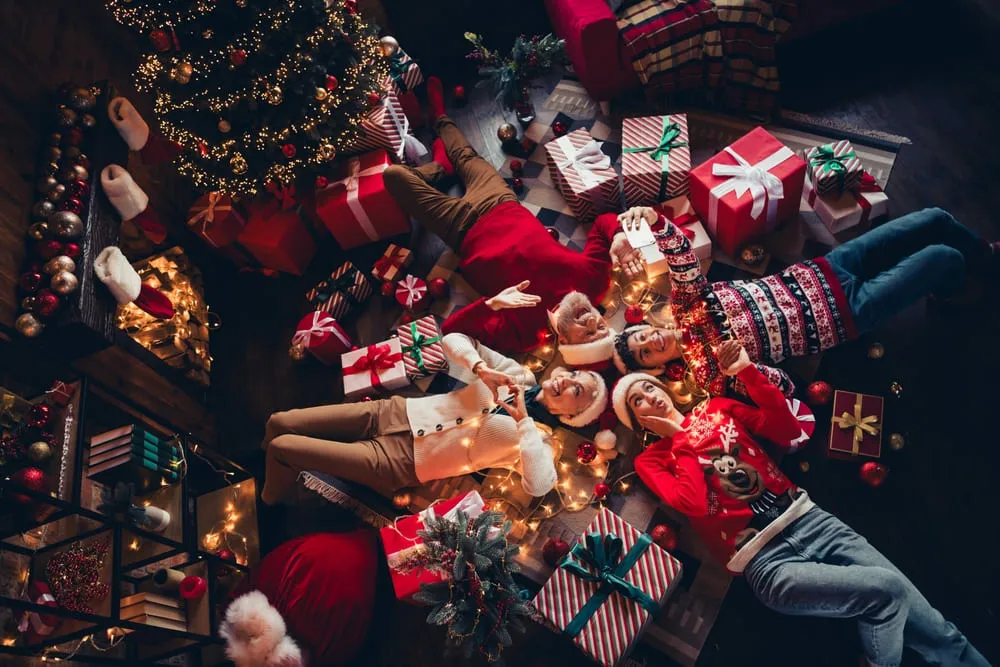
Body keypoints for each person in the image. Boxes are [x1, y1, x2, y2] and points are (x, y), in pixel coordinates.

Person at [613, 341, 989, 667]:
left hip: (813, 523)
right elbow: (694, 503)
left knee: (938, 629)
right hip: (767, 562)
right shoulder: (653, 460)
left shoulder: (716, 410)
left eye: (648, 386)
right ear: (636, 421)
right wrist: (681, 438)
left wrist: (746, 371)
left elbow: (788, 429)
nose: (649, 396)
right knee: (887, 590)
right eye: (637, 401)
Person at [597, 205, 997, 396]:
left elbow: (683, 258)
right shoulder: (711, 377)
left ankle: (985, 258)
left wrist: (656, 221)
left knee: (934, 219)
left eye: (641, 336)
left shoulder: (685, 304)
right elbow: (786, 387)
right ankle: (952, 293)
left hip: (828, 269)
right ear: (658, 367)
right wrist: (745, 369)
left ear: (647, 325)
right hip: (846, 313)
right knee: (944, 258)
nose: (651, 342)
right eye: (646, 354)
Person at [382, 77, 638, 364]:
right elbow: (602, 223)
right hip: (500, 202)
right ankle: (440, 121)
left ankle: (440, 169)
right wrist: (618, 235)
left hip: (460, 229)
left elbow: (453, 329)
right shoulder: (594, 283)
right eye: (601, 328)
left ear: (566, 342)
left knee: (393, 176)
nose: (592, 322)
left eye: (588, 335)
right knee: (465, 155)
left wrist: (493, 304)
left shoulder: (525, 335)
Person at [260, 332, 609, 504]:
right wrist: (480, 367)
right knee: (278, 421)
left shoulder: (542, 440)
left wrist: (523, 424)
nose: (567, 381)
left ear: (572, 416)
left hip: (397, 463)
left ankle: (267, 500)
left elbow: (539, 486)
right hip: (390, 413)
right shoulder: (516, 374)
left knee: (284, 447)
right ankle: (271, 466)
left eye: (577, 391)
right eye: (574, 375)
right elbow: (452, 339)